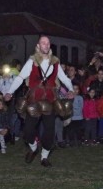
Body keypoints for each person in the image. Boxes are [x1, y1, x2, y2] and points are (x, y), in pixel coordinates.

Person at [4, 36, 74, 167]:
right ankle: (34, 147)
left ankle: (45, 157)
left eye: (48, 43)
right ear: (38, 45)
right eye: (43, 43)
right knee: (28, 130)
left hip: (51, 100)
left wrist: (70, 89)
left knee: (49, 131)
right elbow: (20, 78)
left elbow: (64, 78)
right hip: (34, 101)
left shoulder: (55, 63)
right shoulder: (32, 61)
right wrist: (10, 92)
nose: (46, 45)